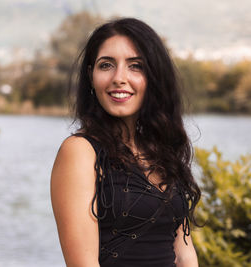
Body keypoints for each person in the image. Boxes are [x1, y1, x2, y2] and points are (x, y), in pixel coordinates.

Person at [51, 17, 201, 267]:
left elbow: (184, 253)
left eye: (135, 66)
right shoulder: (79, 152)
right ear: (91, 76)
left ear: (154, 77)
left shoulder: (162, 151)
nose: (119, 78)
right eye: (106, 65)